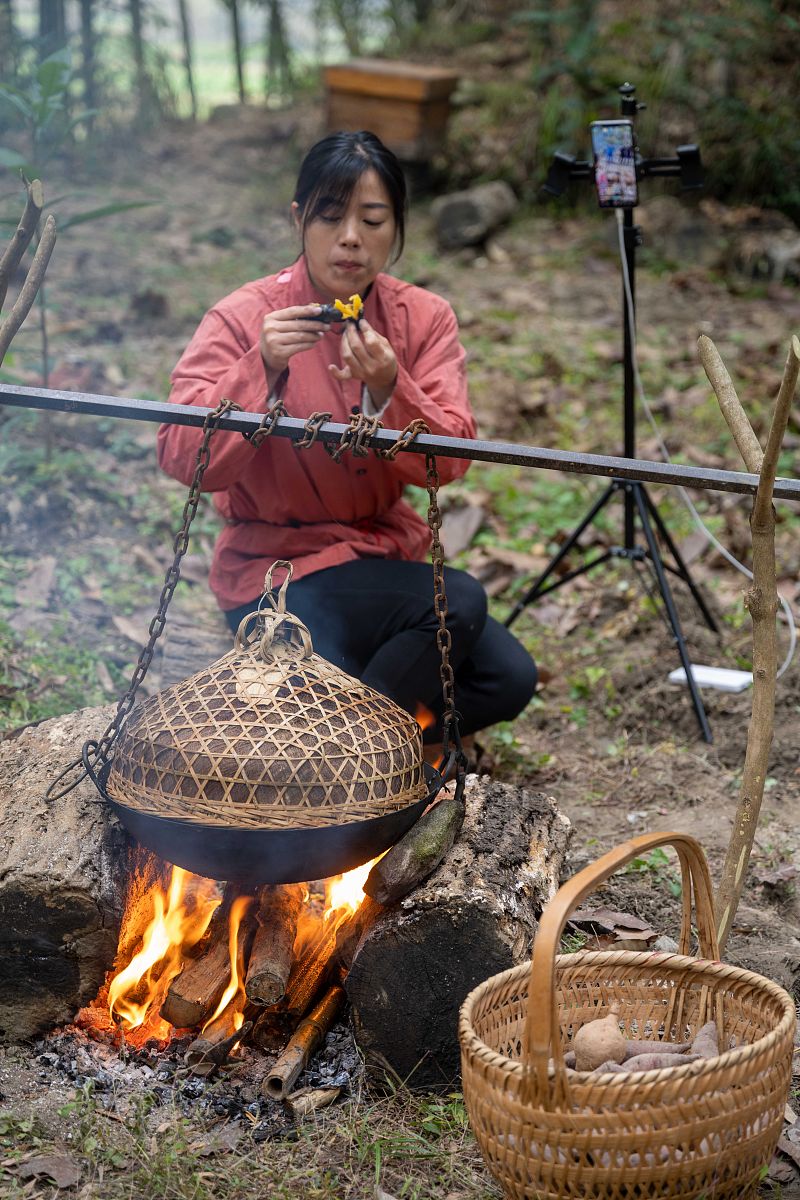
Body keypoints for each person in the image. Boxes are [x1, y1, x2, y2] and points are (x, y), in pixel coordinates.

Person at [157, 129, 537, 753]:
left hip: (380, 565)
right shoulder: (243, 316)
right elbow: (182, 457)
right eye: (331, 217)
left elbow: (453, 461)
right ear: (299, 220)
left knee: (507, 678)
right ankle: (347, 756)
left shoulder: (423, 317)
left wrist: (391, 387)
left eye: (373, 218)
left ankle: (329, 718)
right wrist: (262, 367)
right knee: (456, 602)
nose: (351, 237)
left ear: (397, 227)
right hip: (280, 576)